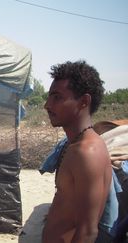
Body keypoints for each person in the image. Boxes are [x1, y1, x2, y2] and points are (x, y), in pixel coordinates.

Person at [41, 60, 112, 243]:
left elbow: (88, 231)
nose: (47, 105)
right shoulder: (78, 145)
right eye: (49, 97)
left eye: (57, 97)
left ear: (84, 102)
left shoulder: (86, 152)